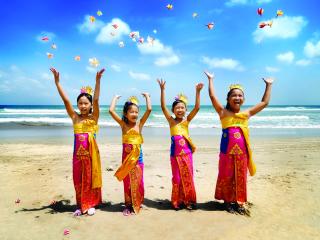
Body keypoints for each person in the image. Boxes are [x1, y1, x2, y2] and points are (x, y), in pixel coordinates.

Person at [205, 71, 274, 214]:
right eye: (234, 95)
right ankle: (228, 202)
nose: (237, 97)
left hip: (242, 154)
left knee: (240, 177)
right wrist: (211, 79)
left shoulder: (246, 114)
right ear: (228, 98)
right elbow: (212, 96)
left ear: (243, 99)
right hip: (226, 153)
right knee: (226, 176)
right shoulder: (223, 113)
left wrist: (269, 85)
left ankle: (239, 200)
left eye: (240, 95)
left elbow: (264, 103)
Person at [50, 67, 105, 216]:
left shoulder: (94, 118)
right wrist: (57, 82)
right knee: (78, 179)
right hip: (78, 156)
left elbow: (96, 99)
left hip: (92, 155)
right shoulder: (75, 117)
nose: (83, 106)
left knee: (91, 178)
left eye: (86, 103)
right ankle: (81, 204)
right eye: (80, 103)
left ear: (90, 105)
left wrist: (98, 81)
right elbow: (66, 100)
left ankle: (92, 203)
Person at [157, 79, 203, 210]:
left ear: (185, 109)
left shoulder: (187, 121)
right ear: (173, 110)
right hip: (175, 155)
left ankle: (188, 200)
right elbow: (162, 107)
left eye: (182, 107)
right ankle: (177, 201)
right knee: (177, 178)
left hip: (187, 154)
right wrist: (162, 90)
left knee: (188, 177)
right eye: (177, 108)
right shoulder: (171, 122)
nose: (180, 110)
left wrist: (198, 92)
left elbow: (197, 108)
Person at [109, 94, 151, 215]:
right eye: (131, 112)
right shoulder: (123, 125)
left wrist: (147, 97)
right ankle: (128, 204)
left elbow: (149, 110)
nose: (134, 114)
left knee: (139, 181)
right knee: (127, 182)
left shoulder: (140, 125)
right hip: (126, 160)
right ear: (126, 114)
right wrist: (115, 99)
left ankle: (137, 201)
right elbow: (111, 111)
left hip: (138, 159)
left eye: (136, 112)